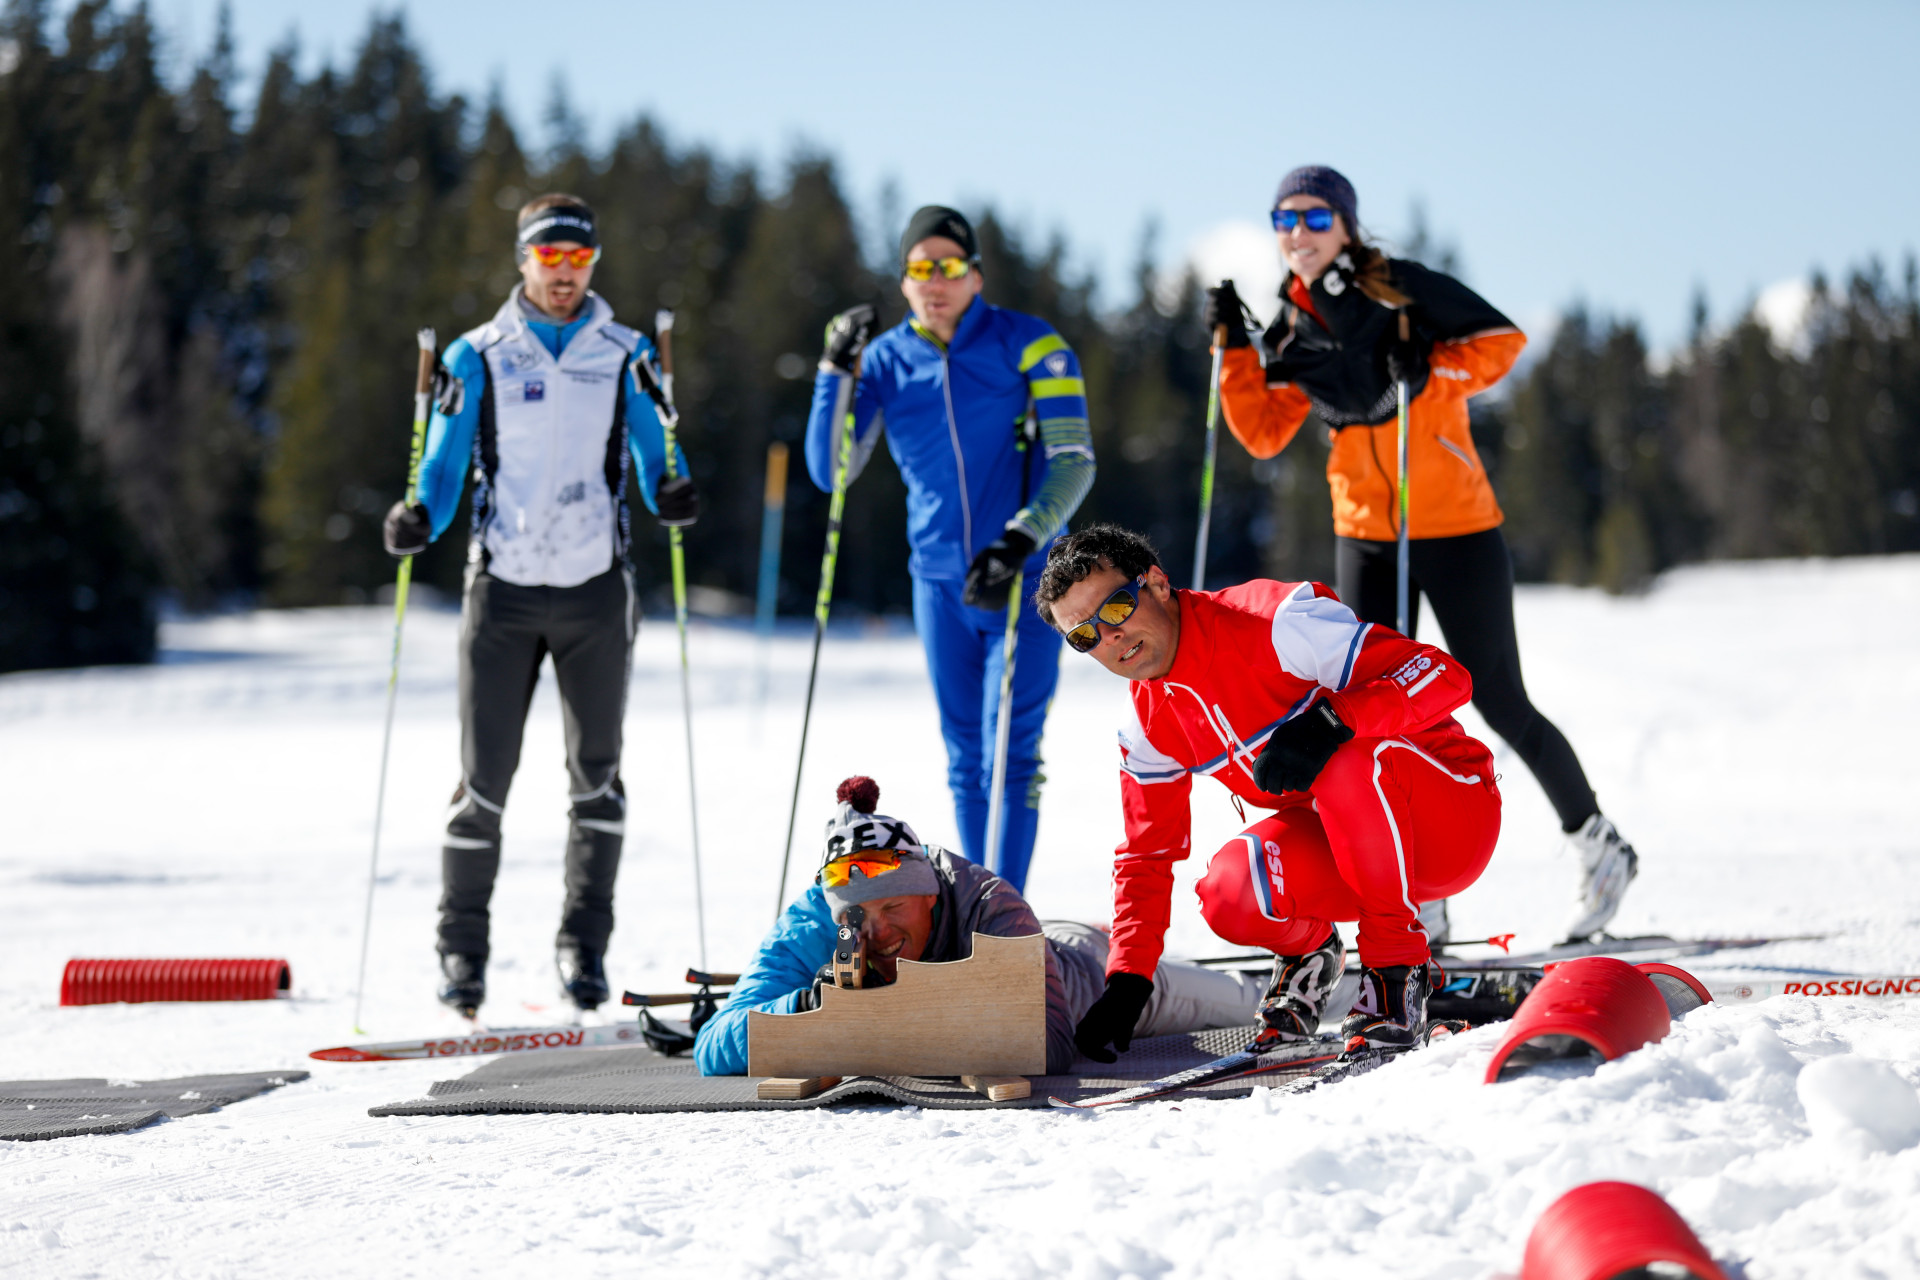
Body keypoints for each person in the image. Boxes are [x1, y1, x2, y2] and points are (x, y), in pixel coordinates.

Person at [1203, 164, 1638, 942]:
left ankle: (1600, 847)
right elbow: (1264, 432)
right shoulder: (1294, 324)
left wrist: (1433, 367)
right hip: (1366, 536)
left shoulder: (1399, 287)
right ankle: (1419, 886)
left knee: (1497, 698)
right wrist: (1235, 348)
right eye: (1283, 219)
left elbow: (1501, 343)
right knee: (1374, 713)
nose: (1297, 232)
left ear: (1345, 224)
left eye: (1313, 216)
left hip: (1456, 526)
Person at [382, 193, 699, 1016]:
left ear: (593, 264)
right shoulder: (476, 355)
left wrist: (670, 490)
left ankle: (582, 946)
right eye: (549, 258)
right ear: (523, 260)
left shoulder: (627, 352)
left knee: (597, 779)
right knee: (483, 781)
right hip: (504, 591)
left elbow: (656, 454)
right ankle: (461, 951)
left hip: (596, 590)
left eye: (578, 259)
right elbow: (442, 467)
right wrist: (418, 516)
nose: (564, 274)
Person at [1034, 524, 1502, 1055]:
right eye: (1084, 636)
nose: (1109, 636)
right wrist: (1129, 979)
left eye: (1116, 608)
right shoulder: (1146, 722)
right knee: (1230, 893)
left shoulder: (1274, 622)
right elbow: (1147, 853)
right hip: (1353, 852)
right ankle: (1311, 957)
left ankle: (1396, 973)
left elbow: (1444, 674)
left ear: (1158, 583)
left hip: (1451, 818)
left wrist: (1335, 718)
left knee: (1342, 756)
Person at [804, 206, 1095, 892]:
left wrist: (1022, 536)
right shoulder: (885, 361)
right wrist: (833, 370)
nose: (935, 281)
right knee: (965, 758)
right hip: (938, 583)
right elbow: (830, 470)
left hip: (1025, 577)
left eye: (950, 266)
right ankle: (984, 908)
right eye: (920, 268)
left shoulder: (1028, 342)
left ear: (975, 275)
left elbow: (1074, 460)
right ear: (903, 280)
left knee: (1011, 753)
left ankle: (1006, 918)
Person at [694, 776, 1265, 1075]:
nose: (877, 933)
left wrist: (889, 1010)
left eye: (894, 909)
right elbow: (714, 1046)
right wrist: (808, 1008)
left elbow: (1050, 1046)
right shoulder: (813, 924)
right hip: (1030, 963)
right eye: (857, 916)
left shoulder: (986, 900)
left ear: (930, 895)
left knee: (1246, 1002)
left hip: (1087, 977)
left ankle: (1312, 981)